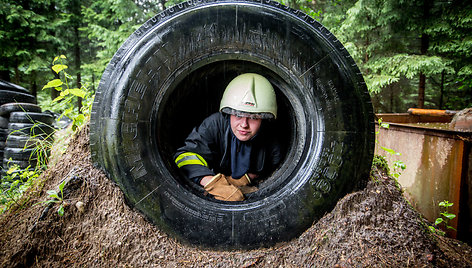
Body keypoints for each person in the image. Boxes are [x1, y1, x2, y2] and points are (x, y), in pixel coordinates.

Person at [174, 73, 281, 201]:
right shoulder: (213, 125)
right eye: (238, 115)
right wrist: (212, 183)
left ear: (264, 119)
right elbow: (184, 156)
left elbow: (271, 166)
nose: (244, 125)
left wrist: (245, 179)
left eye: (253, 117)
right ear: (228, 113)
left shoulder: (271, 141)